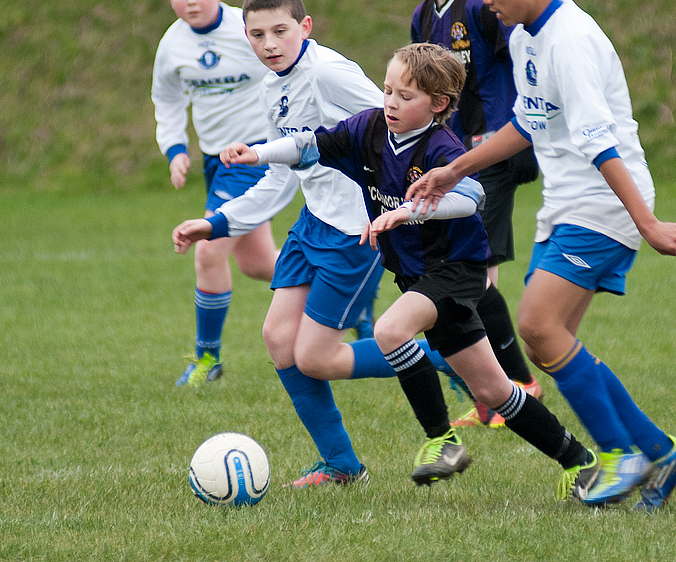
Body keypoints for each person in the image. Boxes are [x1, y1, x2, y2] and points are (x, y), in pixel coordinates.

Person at [407, 0, 676, 511]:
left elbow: (600, 141)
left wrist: (646, 223)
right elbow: (528, 125)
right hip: (566, 203)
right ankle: (661, 449)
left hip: (604, 200)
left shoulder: (570, 40)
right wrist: (456, 168)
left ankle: (622, 455)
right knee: (554, 342)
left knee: (538, 327)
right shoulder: (525, 35)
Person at [216, 42, 599, 499]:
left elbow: (471, 196)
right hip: (417, 275)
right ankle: (581, 461)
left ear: (438, 105)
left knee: (391, 328)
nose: (391, 102)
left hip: (455, 269)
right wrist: (257, 154)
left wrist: (409, 212)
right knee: (495, 389)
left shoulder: (442, 146)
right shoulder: (369, 128)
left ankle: (441, 442)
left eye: (406, 96)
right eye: (388, 90)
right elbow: (311, 146)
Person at [172, 0, 391, 488]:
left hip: (355, 229)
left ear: (305, 27)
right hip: (313, 222)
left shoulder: (330, 73)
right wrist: (215, 223)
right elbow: (277, 179)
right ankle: (342, 465)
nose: (269, 44)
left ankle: (447, 356)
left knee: (314, 357)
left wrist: (395, 202)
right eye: (257, 34)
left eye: (280, 31)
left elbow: (391, 125)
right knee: (277, 338)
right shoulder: (273, 85)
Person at [408, 0, 542, 428]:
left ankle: (518, 387)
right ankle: (492, 395)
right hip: (456, 161)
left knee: (472, 276)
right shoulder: (423, 16)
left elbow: (528, 55)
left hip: (496, 151)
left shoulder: (485, 6)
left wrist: (532, 128)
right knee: (461, 272)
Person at [151, 0, 279, 387]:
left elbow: (286, 71)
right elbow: (167, 100)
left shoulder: (248, 29)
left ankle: (208, 360)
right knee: (260, 265)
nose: (191, 1)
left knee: (207, 248)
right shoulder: (172, 45)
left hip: (252, 154)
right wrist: (174, 150)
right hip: (213, 160)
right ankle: (346, 290)